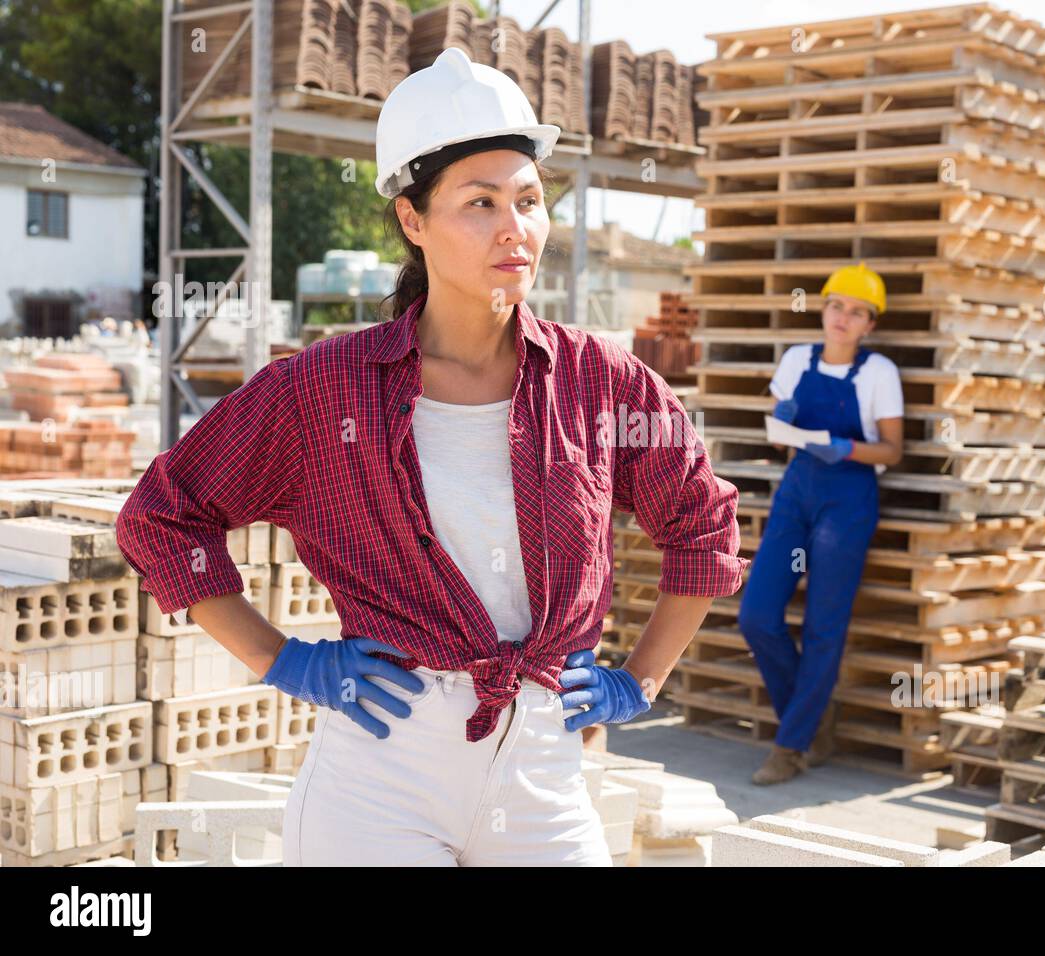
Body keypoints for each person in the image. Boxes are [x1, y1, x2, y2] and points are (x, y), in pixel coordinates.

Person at [115, 48, 746, 865]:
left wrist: (643, 679)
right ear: (413, 221)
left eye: (528, 198)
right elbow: (163, 516)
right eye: (478, 203)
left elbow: (702, 526)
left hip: (544, 768)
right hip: (383, 773)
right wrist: (285, 660)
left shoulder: (601, 382)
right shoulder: (325, 388)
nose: (514, 227)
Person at [737, 263, 904, 785]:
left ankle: (789, 747)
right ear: (823, 308)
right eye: (837, 306)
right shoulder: (796, 360)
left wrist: (847, 448)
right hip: (797, 490)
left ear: (869, 325)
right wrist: (782, 423)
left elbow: (893, 450)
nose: (843, 318)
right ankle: (809, 722)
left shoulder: (879, 373)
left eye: (857, 312)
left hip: (849, 496)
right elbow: (778, 435)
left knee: (823, 626)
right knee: (757, 615)